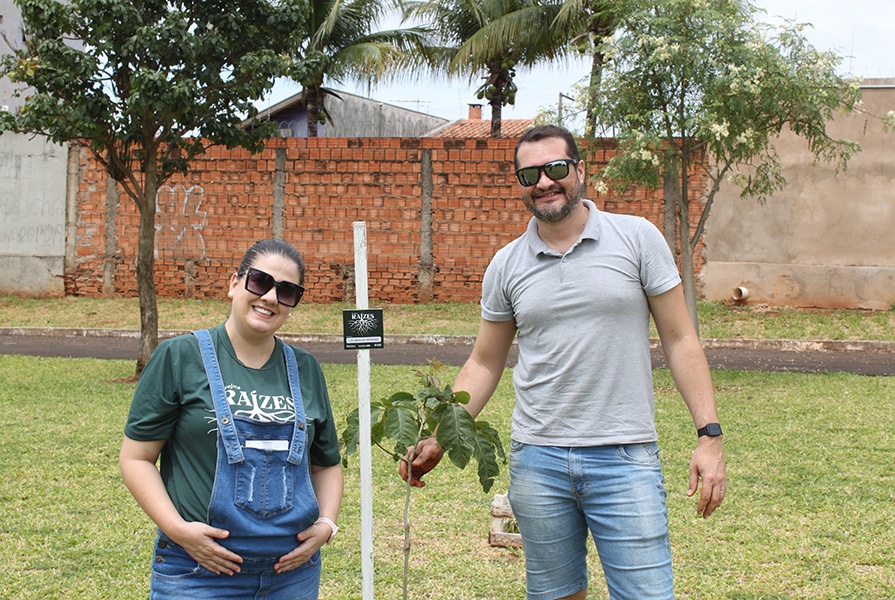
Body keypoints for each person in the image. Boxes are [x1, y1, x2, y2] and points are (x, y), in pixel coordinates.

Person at [402, 125, 727, 600]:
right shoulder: (507, 264)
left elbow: (680, 340)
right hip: (538, 460)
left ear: (579, 170)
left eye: (555, 168)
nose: (544, 182)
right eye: (529, 173)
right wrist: (440, 433)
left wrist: (709, 436)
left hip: (625, 457)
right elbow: (485, 362)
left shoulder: (637, 238)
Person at [120, 238, 343, 600]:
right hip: (197, 573)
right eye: (260, 281)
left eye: (287, 291)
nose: (270, 297)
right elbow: (136, 458)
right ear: (234, 283)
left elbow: (326, 464)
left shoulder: (305, 368)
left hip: (291, 577)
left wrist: (327, 524)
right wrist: (178, 530)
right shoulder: (179, 357)